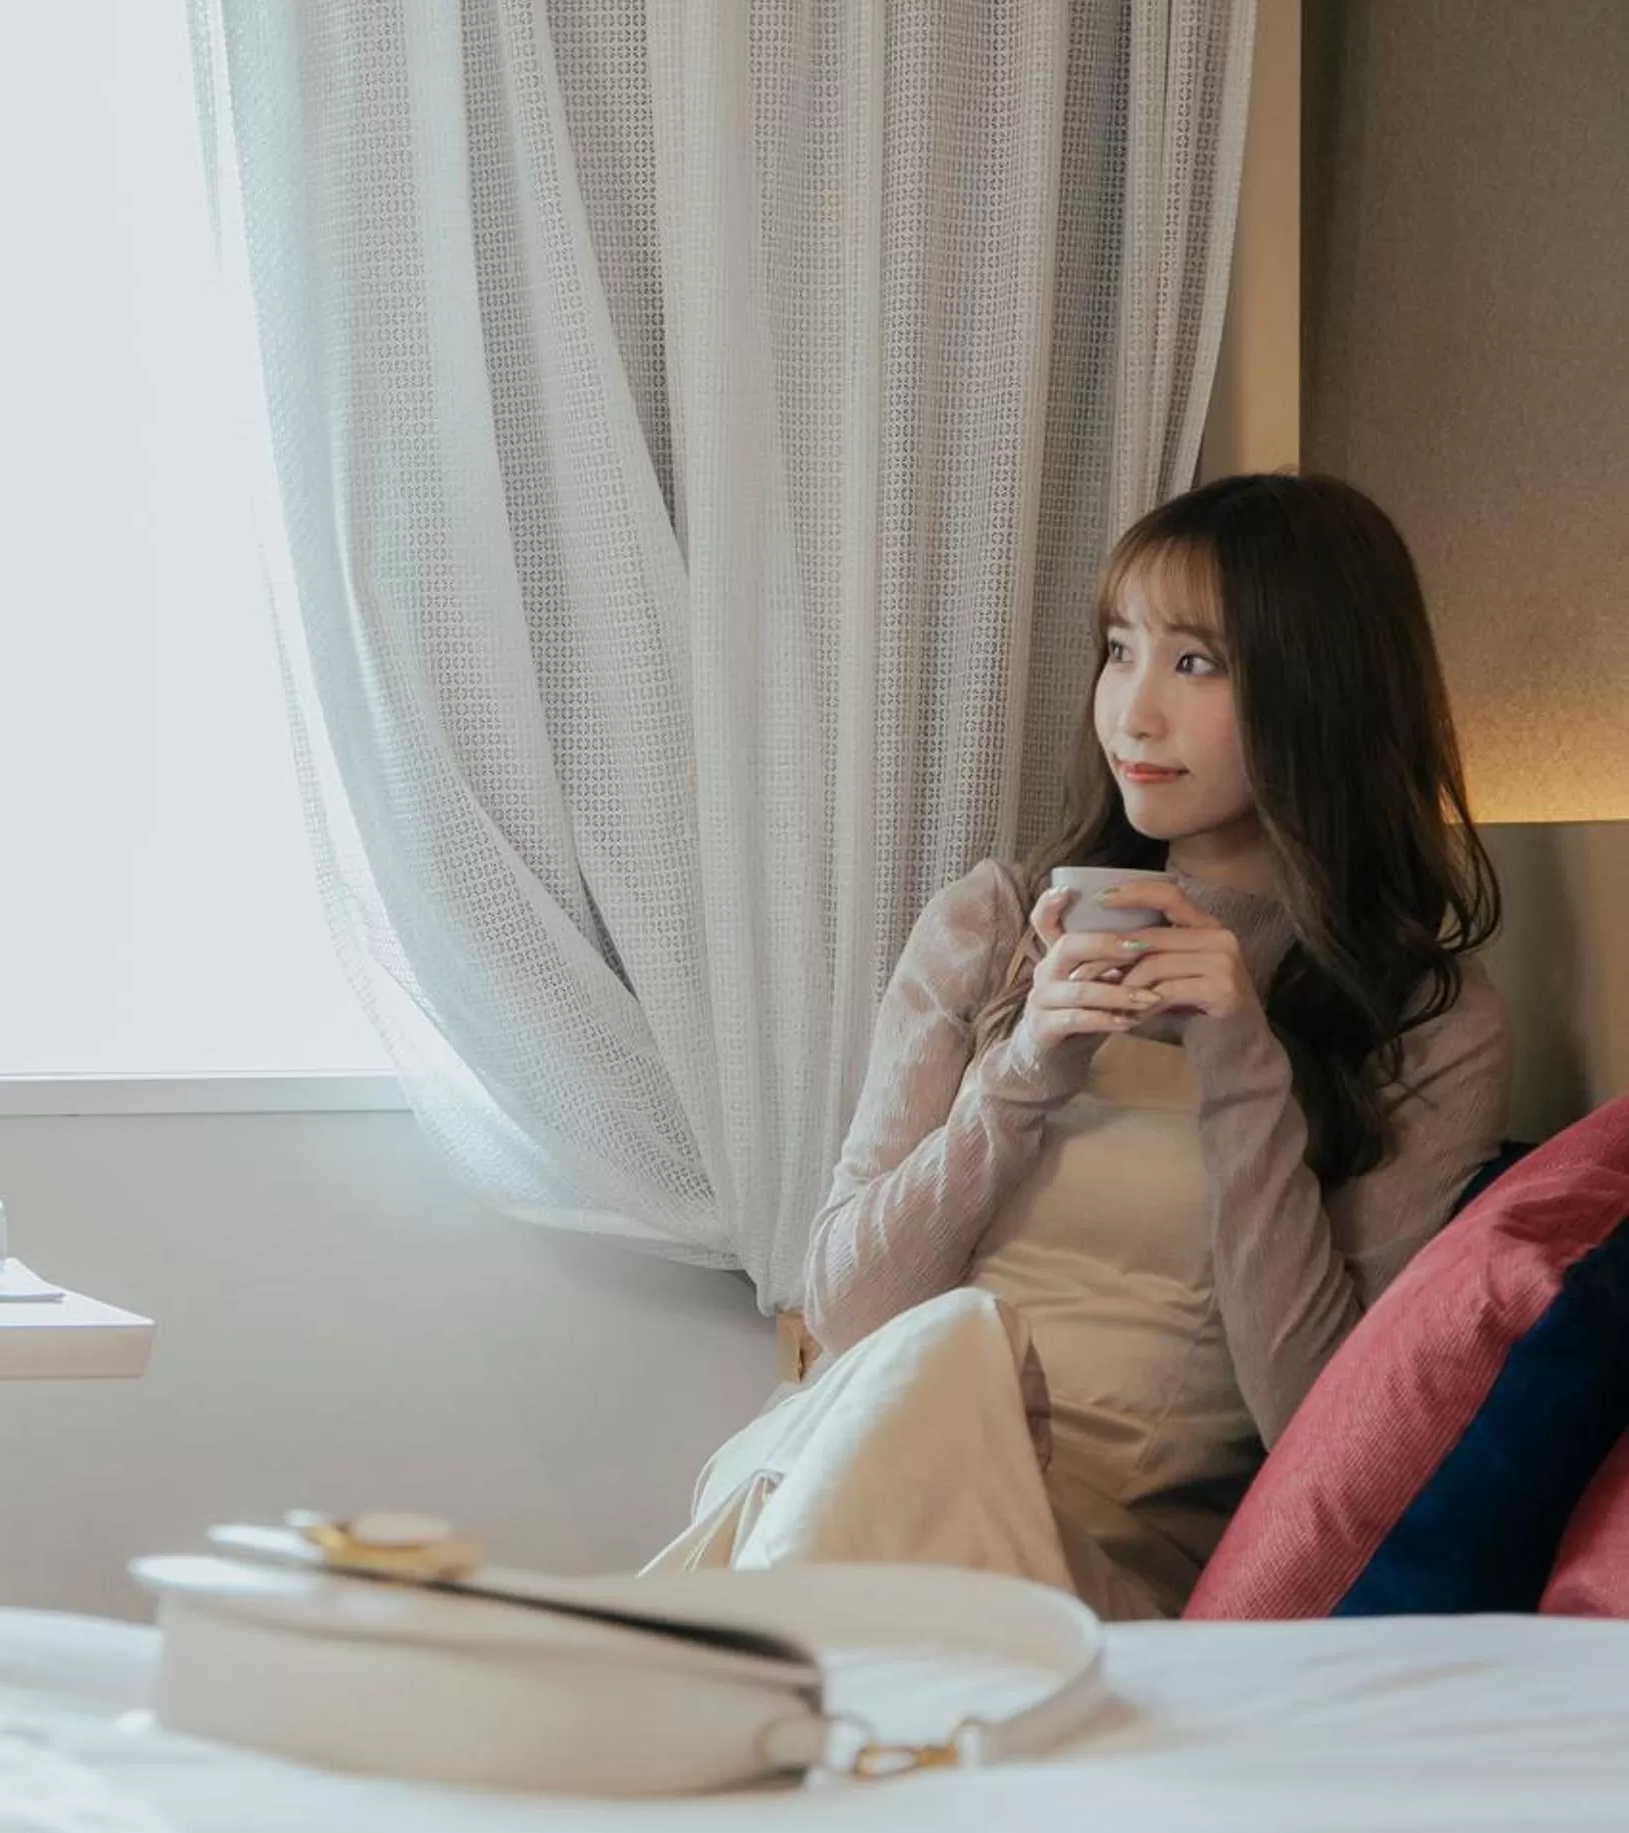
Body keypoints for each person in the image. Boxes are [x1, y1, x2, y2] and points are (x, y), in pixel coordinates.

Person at [647, 472, 1512, 1618]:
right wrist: (1022, 1074)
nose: (1132, 712)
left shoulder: (1424, 1019)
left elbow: (1324, 1434)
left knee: (949, 1374)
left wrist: (1242, 1064)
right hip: (852, 1473)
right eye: (1118, 649)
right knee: (949, 1361)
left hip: (1085, 1567)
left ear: (1325, 686)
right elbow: (847, 1311)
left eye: (1194, 663)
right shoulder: (990, 926)